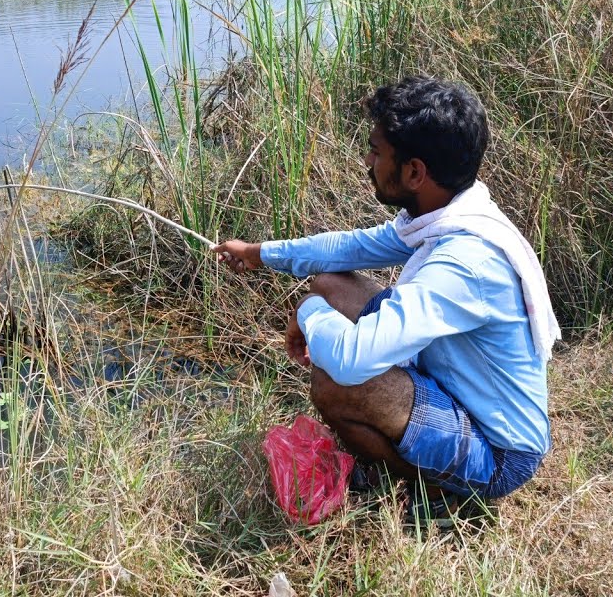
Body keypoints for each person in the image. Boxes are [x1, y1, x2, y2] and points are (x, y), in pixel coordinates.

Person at [212, 75, 561, 525]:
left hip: (498, 452)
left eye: (377, 152)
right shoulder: (448, 212)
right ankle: (415, 455)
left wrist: (305, 313)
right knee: (331, 285)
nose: (368, 161)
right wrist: (260, 254)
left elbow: (352, 360)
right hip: (458, 391)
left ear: (414, 172)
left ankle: (434, 489)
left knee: (336, 383)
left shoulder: (464, 262)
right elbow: (348, 249)